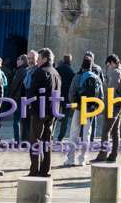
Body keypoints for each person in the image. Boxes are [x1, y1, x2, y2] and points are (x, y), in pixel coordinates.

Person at [26, 48, 61, 178]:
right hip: (52, 112)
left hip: (39, 111)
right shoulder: (56, 73)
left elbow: (32, 92)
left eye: (39, 58)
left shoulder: (40, 72)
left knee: (35, 140)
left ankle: (34, 170)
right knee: (47, 141)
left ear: (45, 59)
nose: (38, 61)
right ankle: (45, 170)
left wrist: (30, 105)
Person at [65, 54, 102, 166]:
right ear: (91, 65)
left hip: (79, 108)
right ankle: (82, 159)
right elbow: (101, 96)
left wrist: (74, 105)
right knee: (86, 134)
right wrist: (95, 107)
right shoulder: (96, 77)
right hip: (90, 109)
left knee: (73, 134)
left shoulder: (77, 76)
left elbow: (71, 93)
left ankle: (70, 159)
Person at [93, 54, 121, 163]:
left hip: (113, 104)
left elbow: (111, 89)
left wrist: (104, 83)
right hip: (119, 104)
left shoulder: (116, 72)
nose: (108, 67)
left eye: (108, 65)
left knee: (106, 131)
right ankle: (113, 155)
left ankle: (103, 154)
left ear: (112, 63)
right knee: (115, 131)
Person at [8, 54, 29, 144]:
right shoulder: (27, 70)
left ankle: (17, 140)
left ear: (23, 61)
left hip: (18, 99)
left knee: (16, 121)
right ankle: (24, 139)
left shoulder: (20, 71)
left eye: (19, 59)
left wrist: (10, 96)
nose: (17, 61)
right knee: (23, 120)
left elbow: (14, 85)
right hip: (24, 99)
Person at [56, 54, 75, 141]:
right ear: (70, 61)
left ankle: (50, 133)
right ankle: (61, 136)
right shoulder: (71, 72)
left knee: (54, 116)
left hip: (57, 95)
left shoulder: (58, 70)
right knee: (65, 118)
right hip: (67, 97)